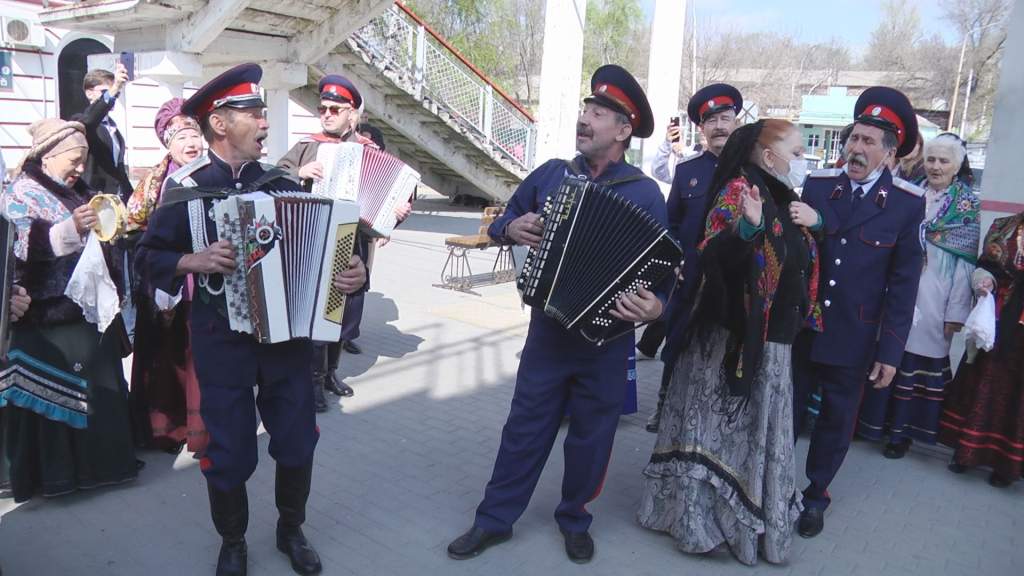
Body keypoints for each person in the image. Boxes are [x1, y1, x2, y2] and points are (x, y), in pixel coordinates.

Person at [136, 63, 368, 576]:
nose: (266, 123)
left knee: (296, 439)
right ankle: (233, 541)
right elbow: (146, 257)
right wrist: (191, 260)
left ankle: (291, 529)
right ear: (221, 123)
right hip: (221, 340)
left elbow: (332, 247)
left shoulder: (281, 182)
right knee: (228, 446)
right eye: (256, 113)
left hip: (285, 339)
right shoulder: (184, 189)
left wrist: (353, 273)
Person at [446, 64, 667, 564]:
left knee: (592, 438)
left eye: (598, 113)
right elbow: (503, 220)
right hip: (547, 333)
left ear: (623, 130)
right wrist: (511, 227)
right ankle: (494, 520)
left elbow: (665, 275)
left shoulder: (645, 193)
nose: (584, 119)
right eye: (586, 109)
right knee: (524, 430)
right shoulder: (551, 174)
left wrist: (656, 308)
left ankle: (574, 517)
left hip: (605, 344)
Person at [639, 119, 816, 565]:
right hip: (729, 342)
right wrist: (747, 231)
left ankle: (747, 527)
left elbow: (799, 260)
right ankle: (698, 522)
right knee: (713, 436)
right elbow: (714, 256)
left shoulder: (783, 195)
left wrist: (820, 222)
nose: (802, 161)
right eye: (796, 153)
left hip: (771, 343)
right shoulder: (740, 189)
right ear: (769, 154)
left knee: (743, 440)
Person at [791, 86, 925, 538]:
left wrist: (890, 351)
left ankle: (815, 495)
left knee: (835, 419)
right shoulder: (820, 186)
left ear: (889, 154)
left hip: (854, 333)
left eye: (869, 142)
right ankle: (771, 484)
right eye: (854, 138)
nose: (856, 148)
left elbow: (904, 285)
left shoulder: (907, 203)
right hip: (804, 327)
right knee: (785, 411)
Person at [0, 118, 138, 502]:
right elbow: (19, 249)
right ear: (48, 156)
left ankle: (102, 467)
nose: (80, 168)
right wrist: (69, 231)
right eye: (75, 159)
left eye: (84, 160)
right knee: (57, 399)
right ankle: (57, 477)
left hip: (85, 314)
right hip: (45, 318)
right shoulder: (20, 194)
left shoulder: (80, 192)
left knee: (100, 394)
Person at [856, 133, 979, 457]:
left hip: (937, 298)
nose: (936, 166)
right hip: (897, 290)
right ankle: (872, 425)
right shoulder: (910, 192)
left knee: (918, 364)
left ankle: (901, 435)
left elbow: (965, 265)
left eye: (944, 161)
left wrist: (956, 314)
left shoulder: (967, 205)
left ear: (957, 166)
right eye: (932, 159)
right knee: (887, 352)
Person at [640, 83, 742, 433]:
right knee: (677, 345)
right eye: (711, 120)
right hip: (691, 279)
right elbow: (672, 223)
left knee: (725, 348)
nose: (719, 127)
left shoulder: (751, 171)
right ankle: (665, 404)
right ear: (701, 128)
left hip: (733, 282)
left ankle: (719, 415)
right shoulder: (687, 170)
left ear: (736, 122)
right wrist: (674, 262)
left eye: (725, 118)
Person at [125, 97, 207, 454]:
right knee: (166, 358)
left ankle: (201, 426)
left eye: (194, 135)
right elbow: (132, 227)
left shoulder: (212, 173)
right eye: (181, 138)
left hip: (205, 282)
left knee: (200, 357)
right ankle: (167, 429)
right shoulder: (157, 183)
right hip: (166, 283)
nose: (191, 144)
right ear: (168, 144)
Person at [939, 211, 1024, 487]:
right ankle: (966, 452)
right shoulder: (1004, 226)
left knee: (1016, 397)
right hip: (997, 322)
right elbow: (986, 265)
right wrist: (984, 280)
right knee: (981, 385)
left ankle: (1006, 466)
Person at [76, 64, 133, 203]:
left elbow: (118, 169)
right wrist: (114, 89)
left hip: (116, 199)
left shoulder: (114, 129)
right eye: (104, 91)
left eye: (116, 94)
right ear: (89, 93)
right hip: (93, 198)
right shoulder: (81, 121)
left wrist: (132, 197)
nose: (113, 97)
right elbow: (90, 119)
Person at [650, 120, 687, 185]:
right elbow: (658, 172)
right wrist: (667, 144)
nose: (700, 129)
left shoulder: (690, 154)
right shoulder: (685, 152)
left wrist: (684, 153)